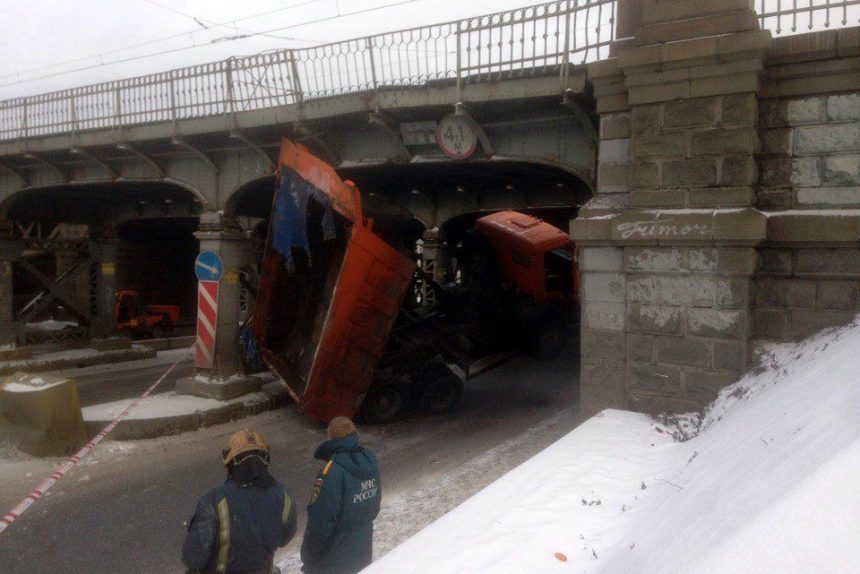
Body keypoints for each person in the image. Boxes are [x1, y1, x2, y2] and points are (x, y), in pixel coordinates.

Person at [182, 429, 297, 574]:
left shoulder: (214, 500)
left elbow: (193, 558)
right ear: (265, 459)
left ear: (230, 462)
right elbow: (284, 539)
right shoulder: (284, 494)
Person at [301, 417, 381, 574]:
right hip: (362, 552)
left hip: (333, 561)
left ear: (330, 437)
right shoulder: (369, 461)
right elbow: (374, 506)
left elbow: (321, 520)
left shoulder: (332, 471)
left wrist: (308, 555)